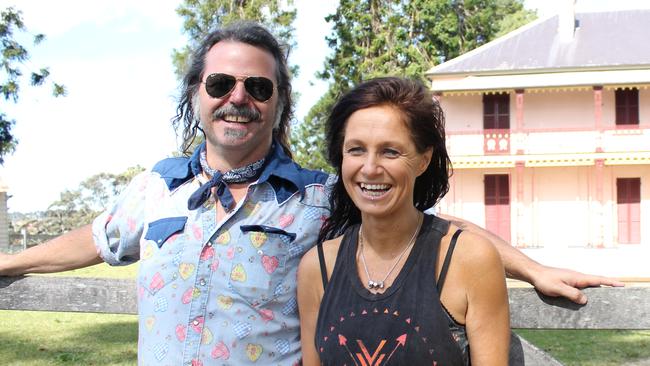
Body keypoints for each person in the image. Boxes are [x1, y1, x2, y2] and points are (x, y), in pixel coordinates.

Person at [0, 21, 622, 365]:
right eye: (220, 82)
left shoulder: (317, 198)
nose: (237, 97)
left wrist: (533, 268)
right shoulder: (156, 188)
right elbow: (98, 238)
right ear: (195, 94)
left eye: (258, 88)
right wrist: (10, 262)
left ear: (278, 106)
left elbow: (425, 226)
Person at [297, 77, 510, 365]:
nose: (370, 168)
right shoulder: (318, 267)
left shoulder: (469, 259)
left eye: (390, 151)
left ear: (423, 160)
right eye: (356, 149)